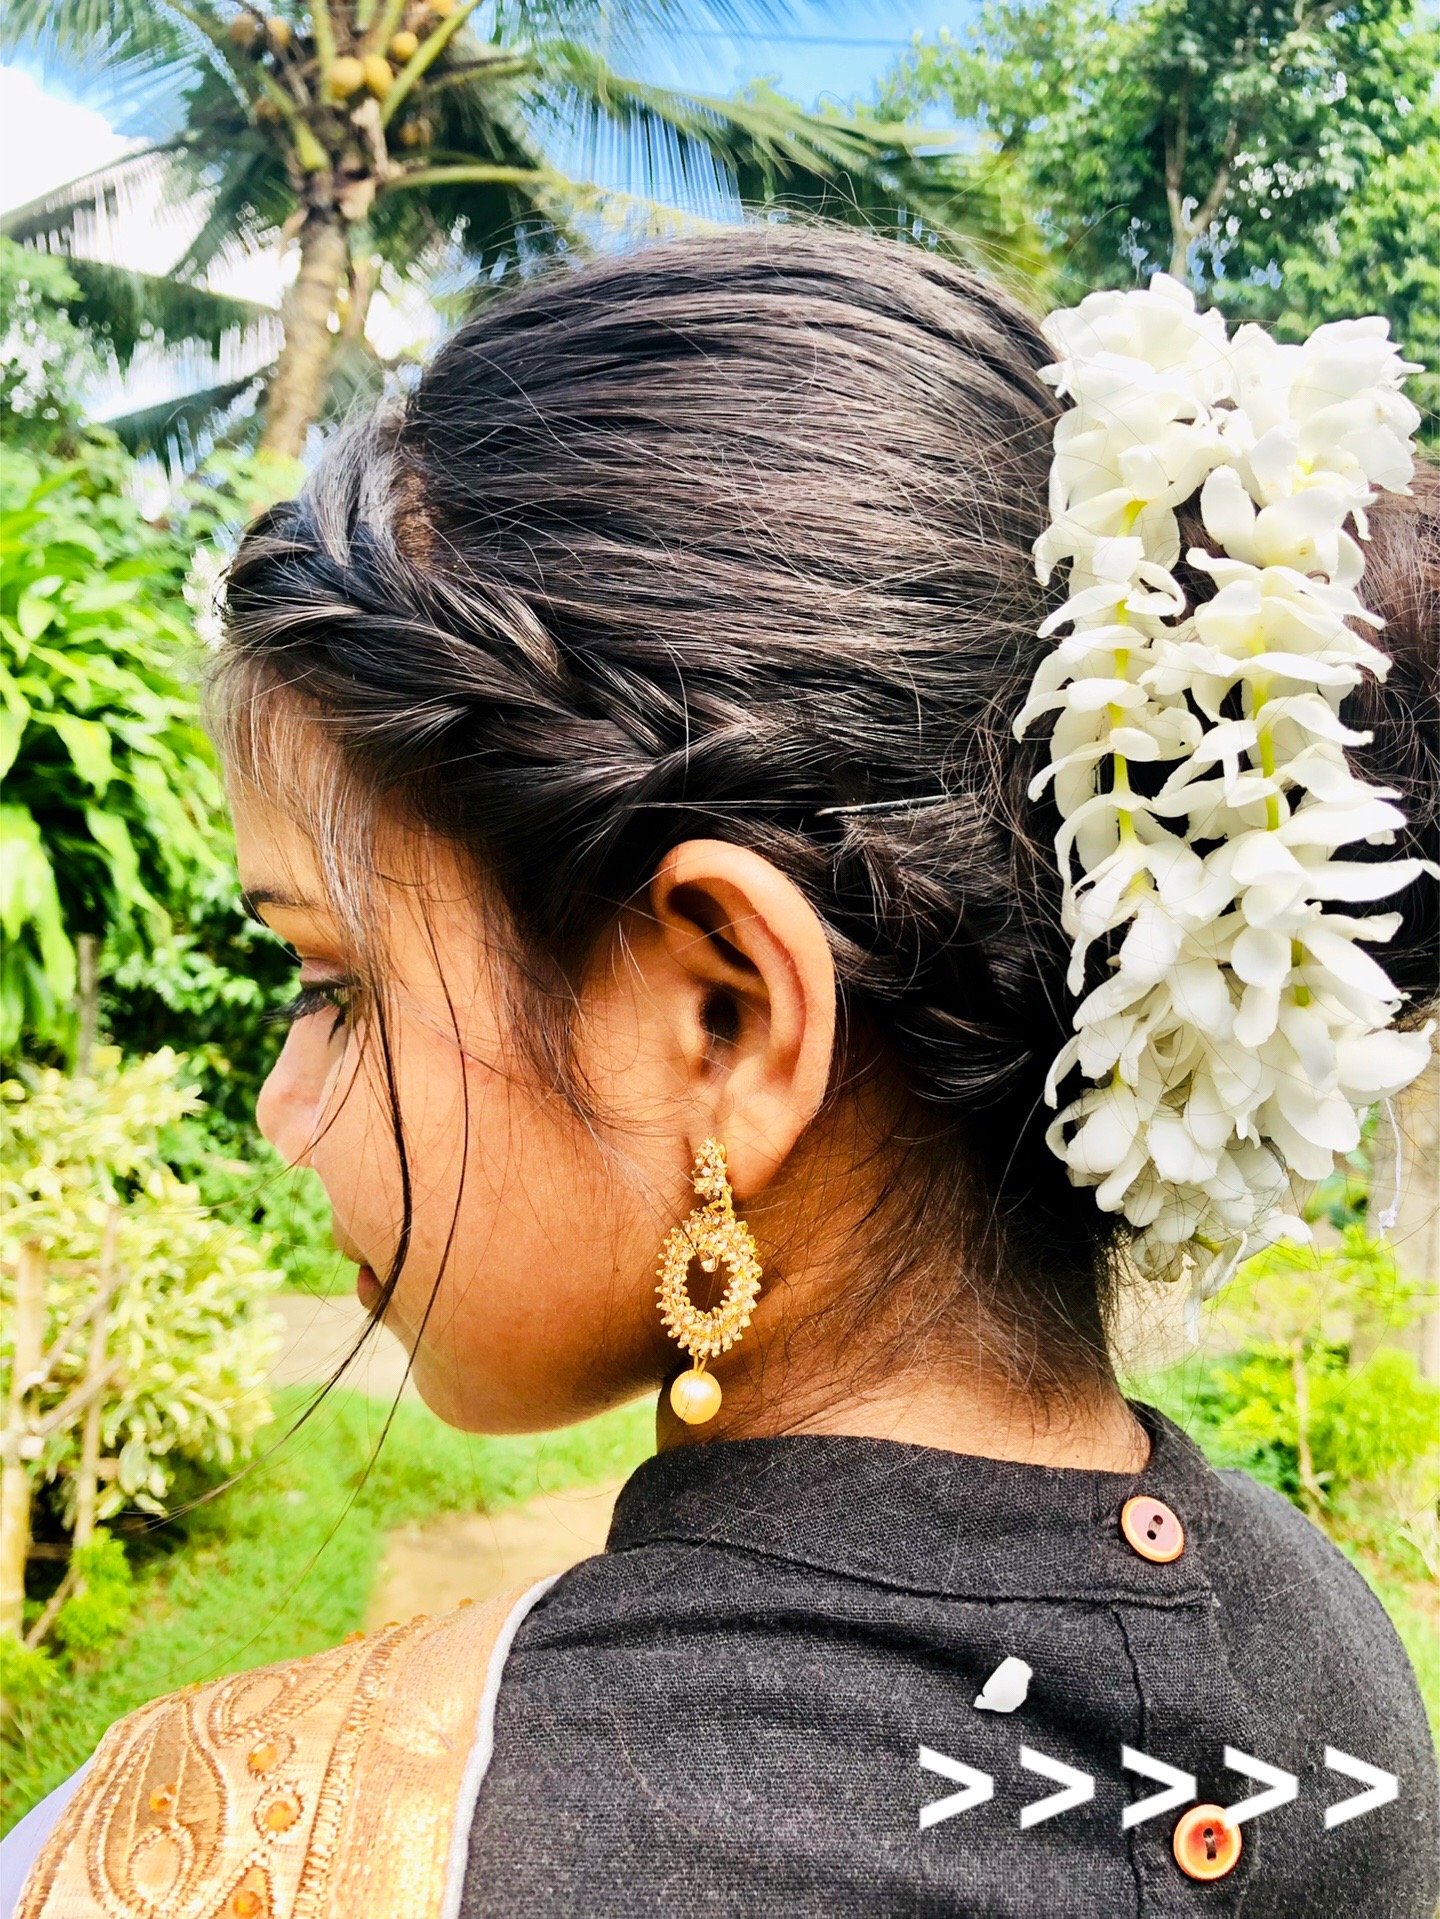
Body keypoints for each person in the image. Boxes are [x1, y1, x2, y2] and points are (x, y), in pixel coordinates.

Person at [6, 230, 1437, 1919]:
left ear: (729, 1021)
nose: (281, 1108)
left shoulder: (253, 1852)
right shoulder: (1338, 1668)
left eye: (336, 984)